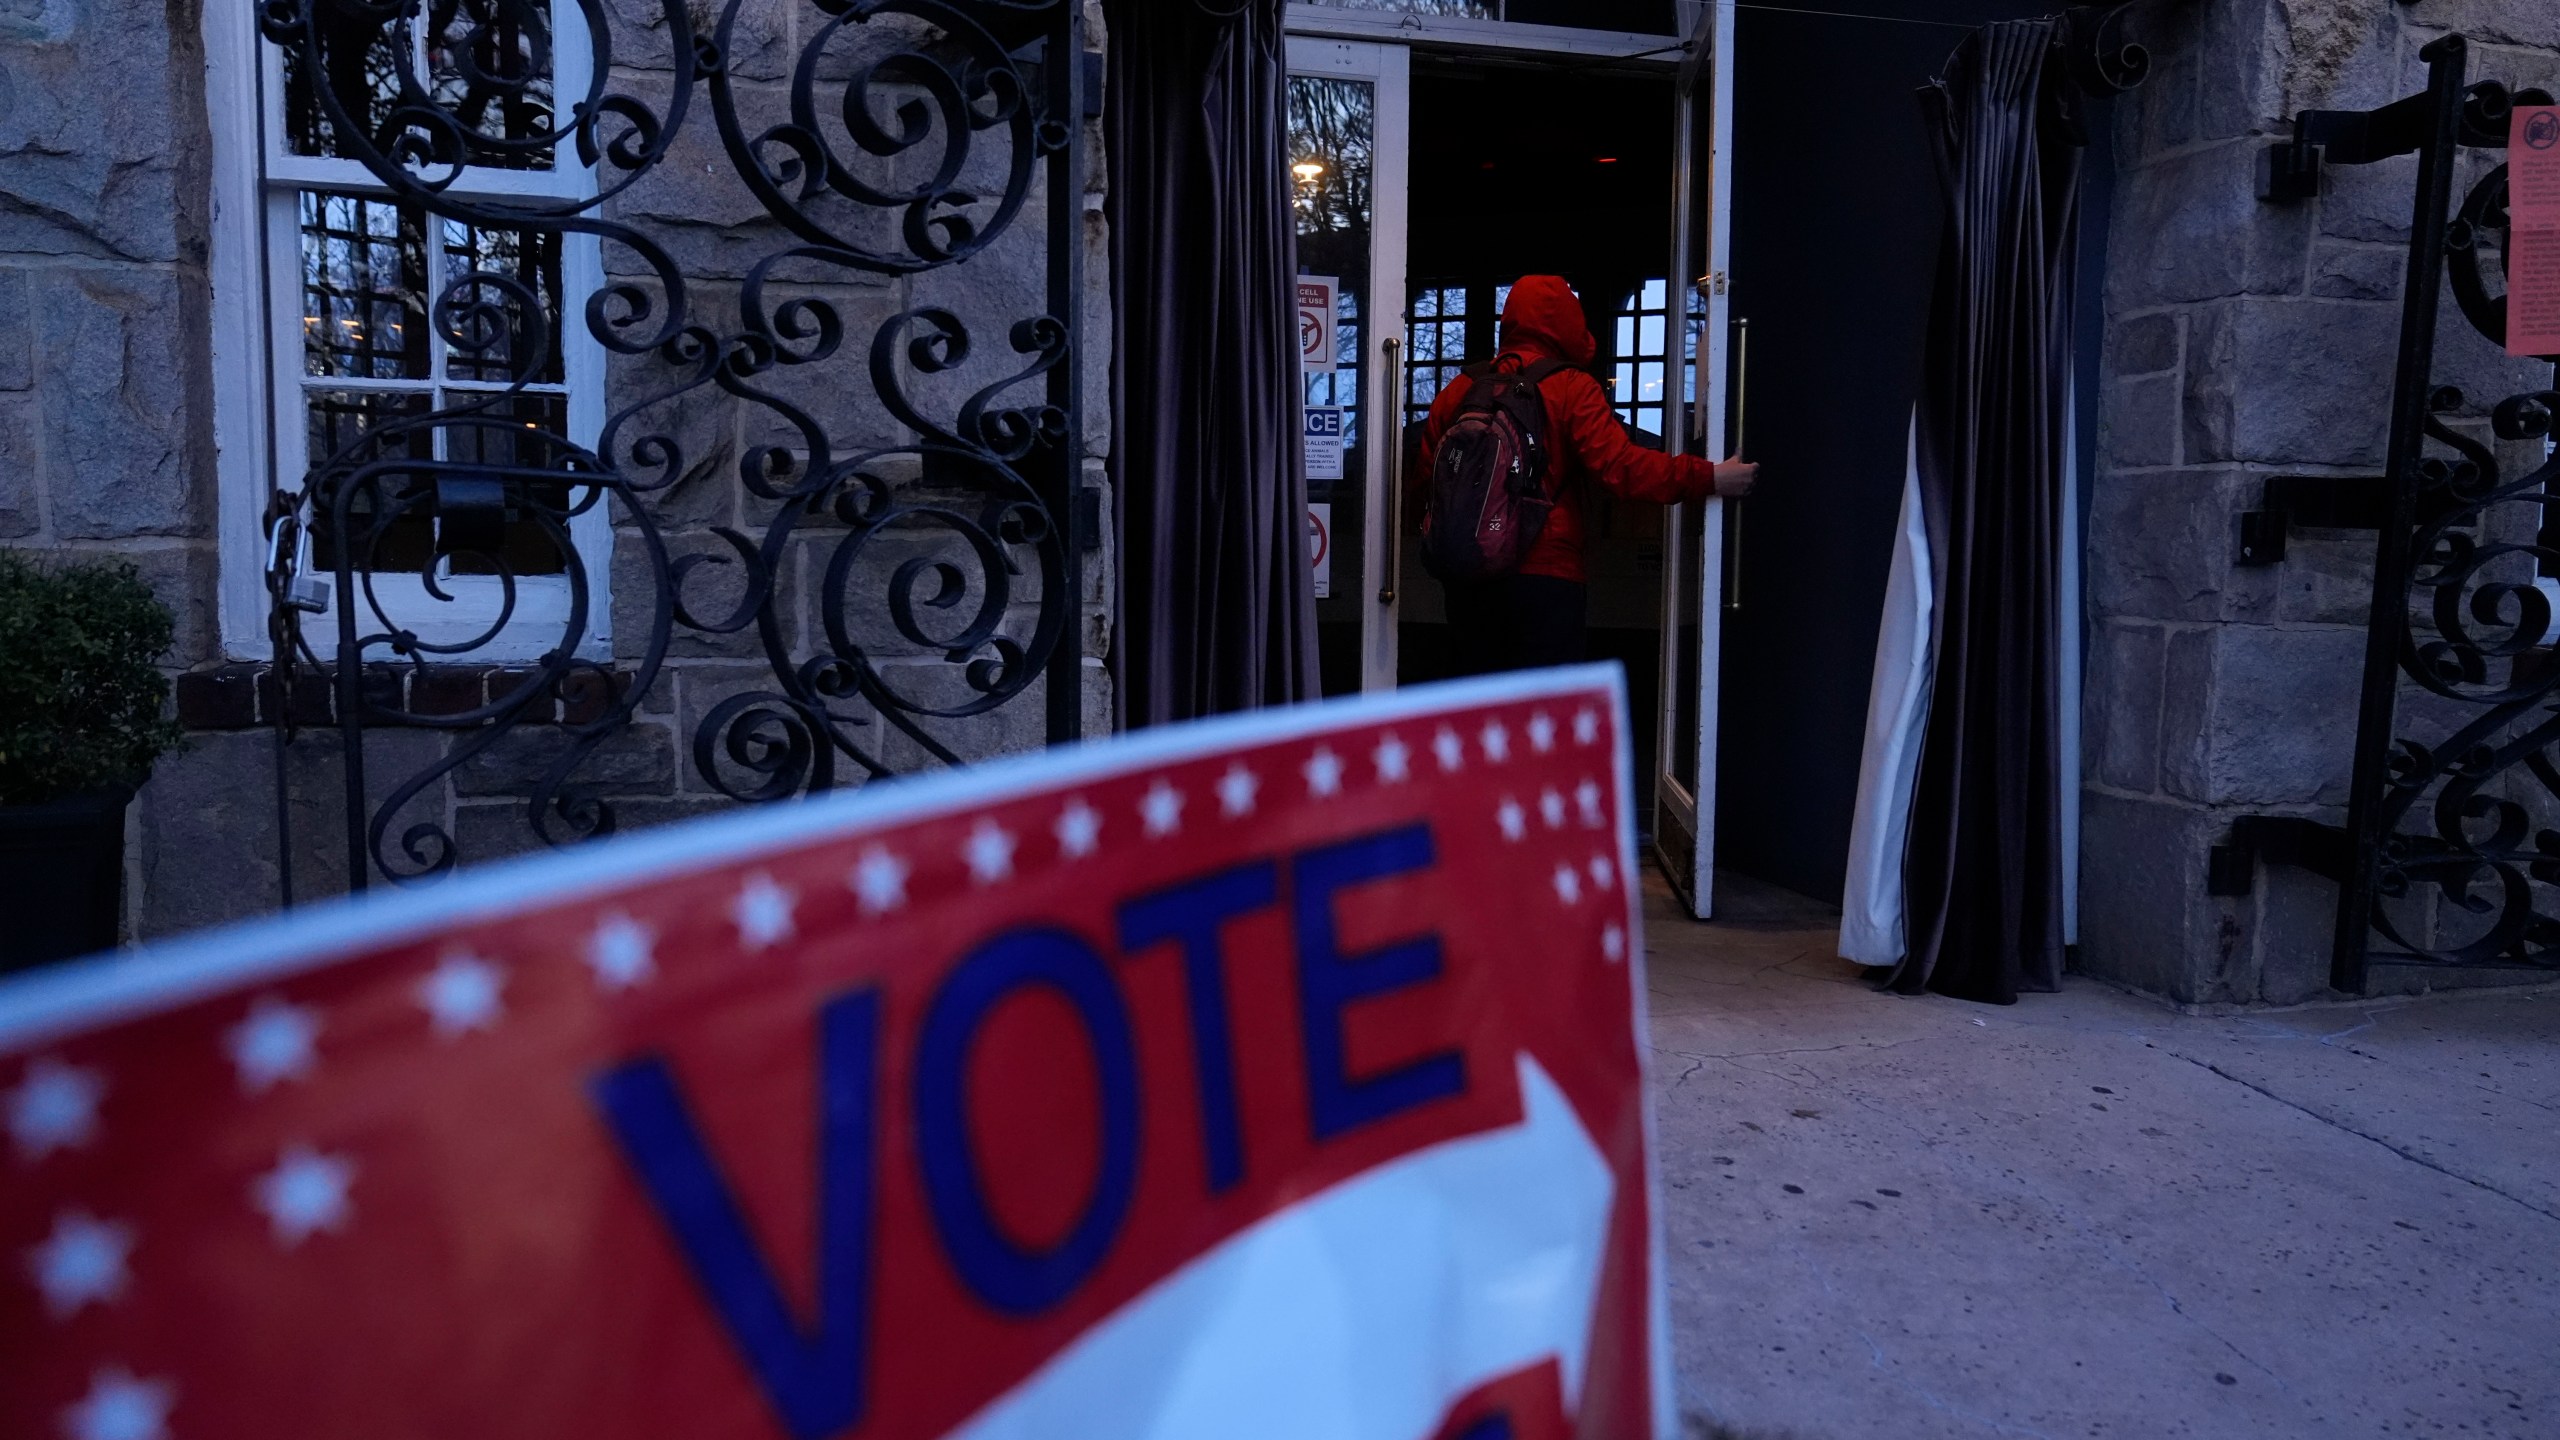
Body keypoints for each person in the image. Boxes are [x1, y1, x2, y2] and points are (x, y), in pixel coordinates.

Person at [1416, 274, 1758, 674]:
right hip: (1547, 578)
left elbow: (1429, 480)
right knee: (1546, 717)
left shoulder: (1458, 391)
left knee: (1482, 712)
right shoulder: (1571, 388)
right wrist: (1710, 477)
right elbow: (1621, 469)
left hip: (1467, 577)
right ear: (1568, 322)